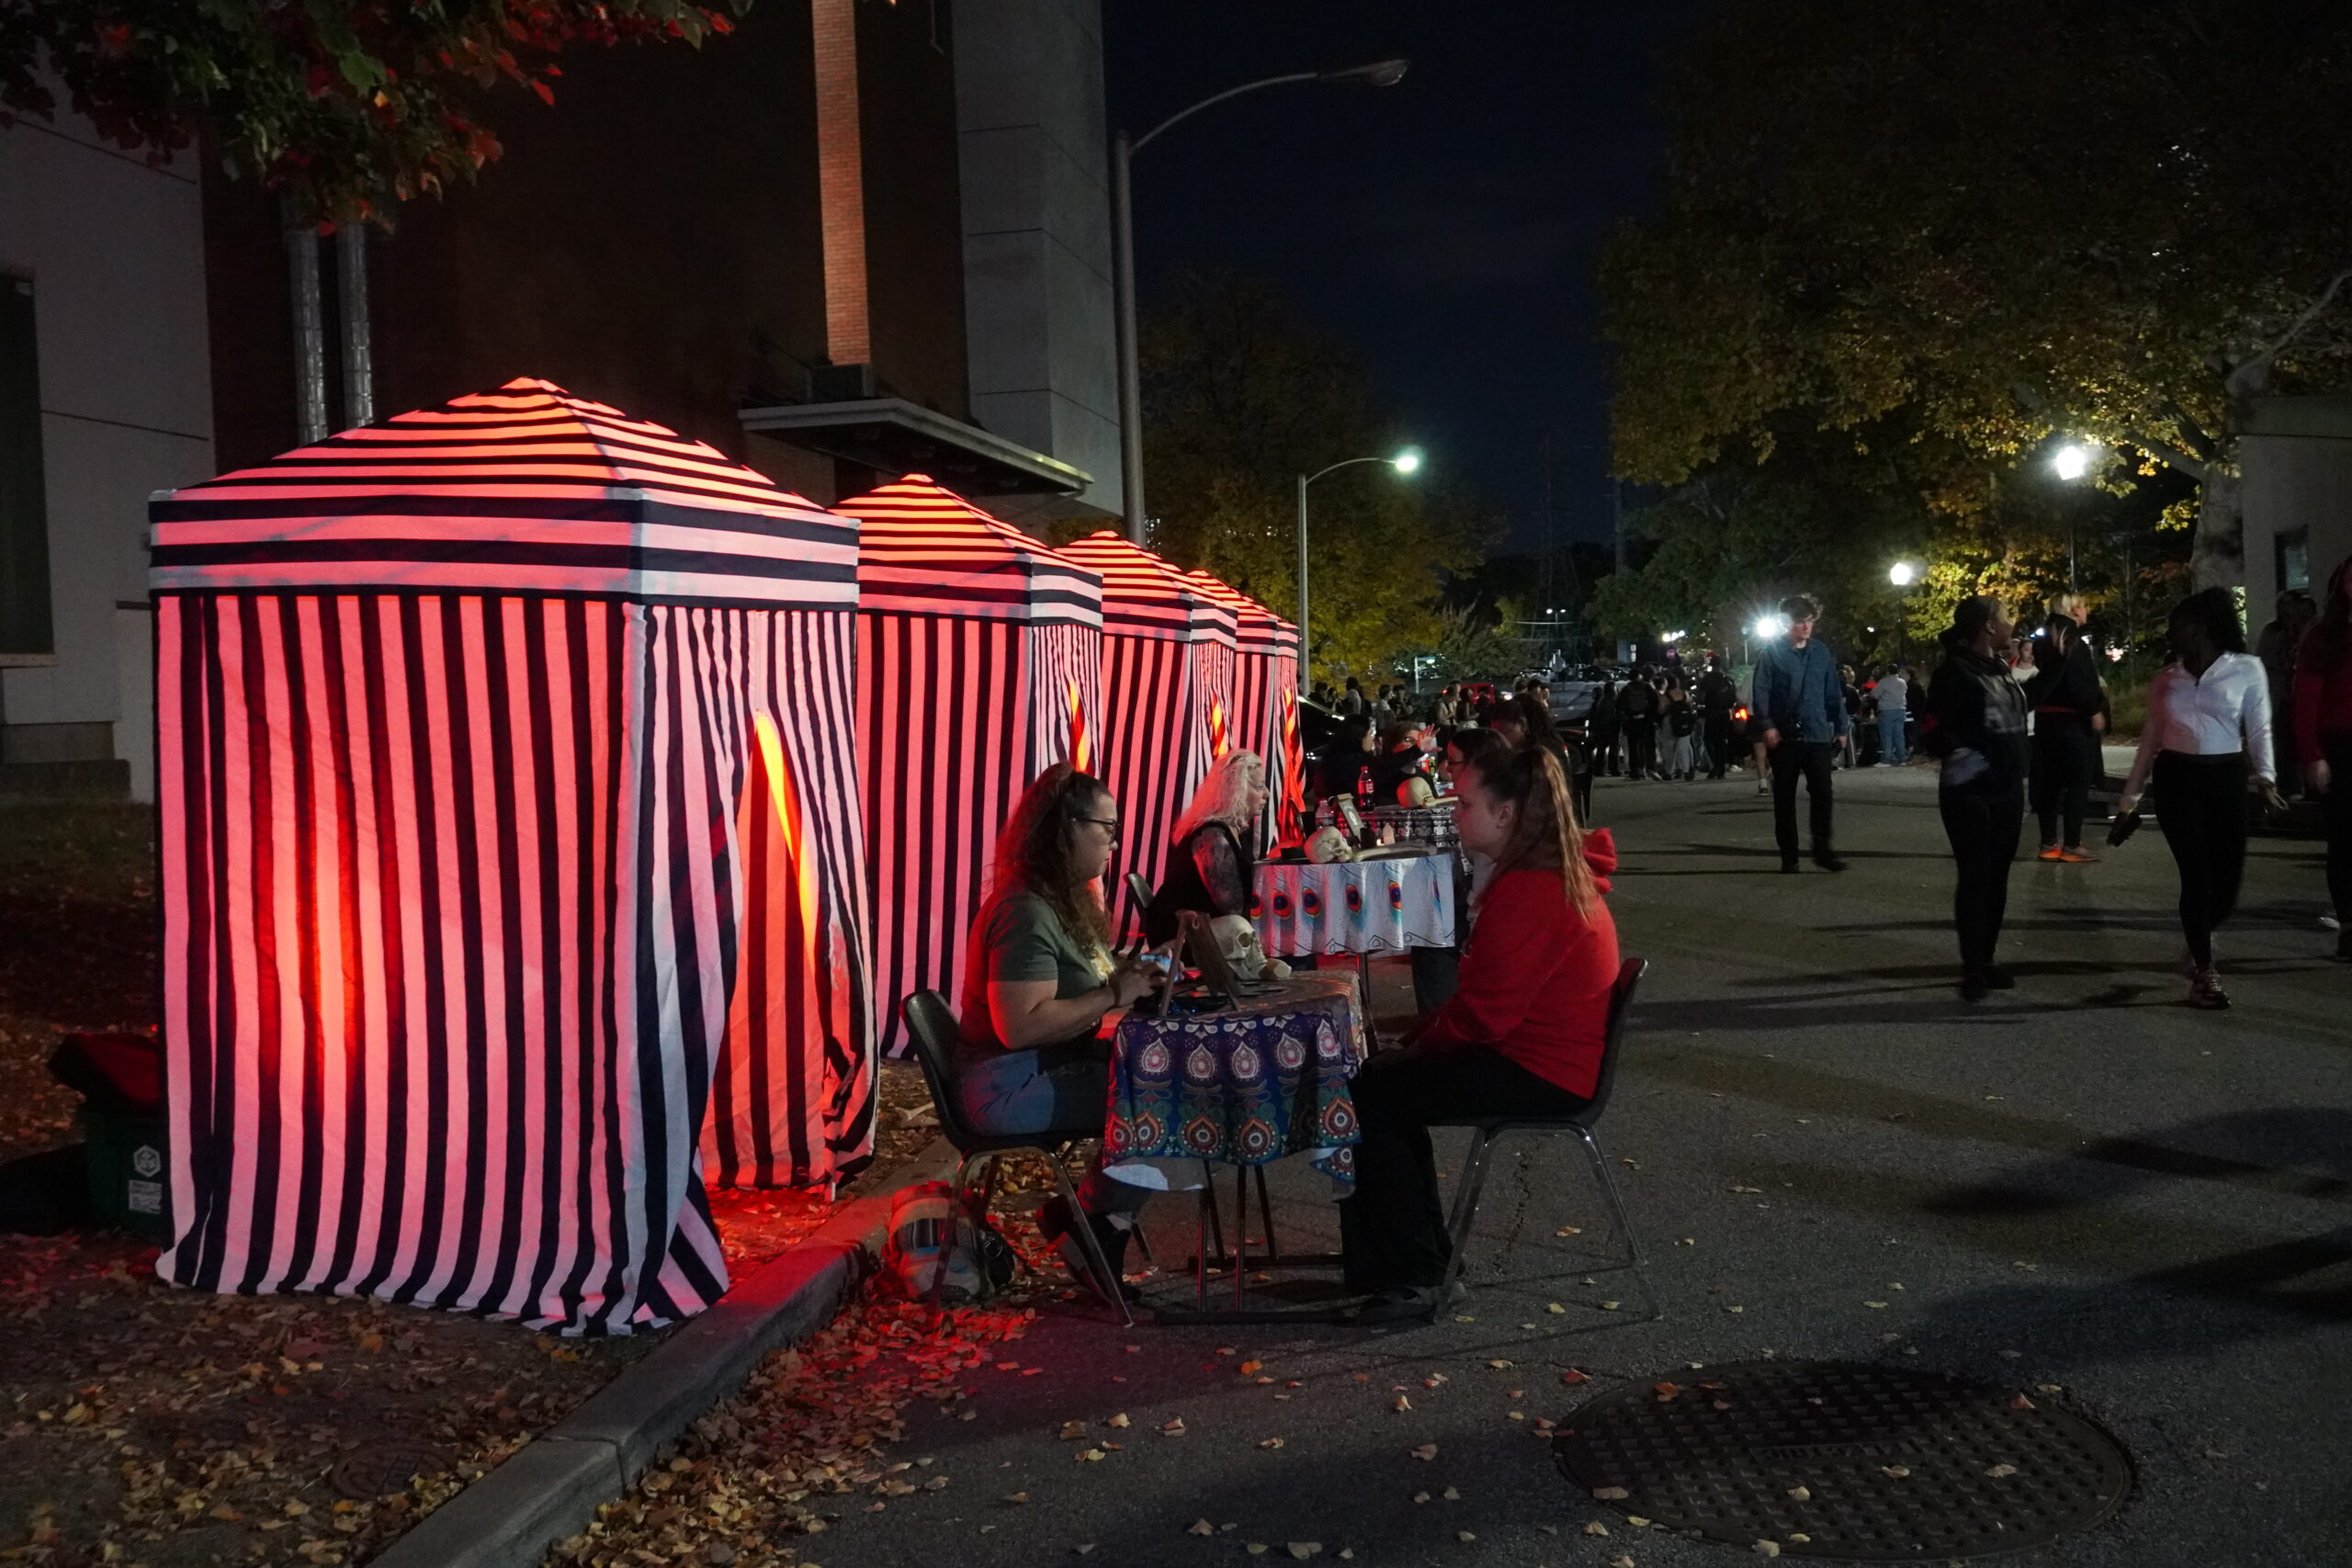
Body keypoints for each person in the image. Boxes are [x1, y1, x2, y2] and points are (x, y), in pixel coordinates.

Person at [1339, 746, 1621, 1323]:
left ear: (1506, 814)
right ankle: (1416, 1261)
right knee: (1384, 1088)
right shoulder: (1535, 877)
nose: (1453, 812)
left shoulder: (1531, 890)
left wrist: (1416, 1046)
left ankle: (1416, 1274)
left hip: (1544, 1069)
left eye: (1465, 803)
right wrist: (1420, 1037)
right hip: (1545, 1057)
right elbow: (1481, 1006)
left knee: (1376, 1095)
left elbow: (1485, 1017)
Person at [958, 764, 1167, 1303]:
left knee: (1163, 1081)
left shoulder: (1058, 901)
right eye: (1108, 828)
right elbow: (1020, 1025)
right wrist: (1114, 994)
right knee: (1170, 1098)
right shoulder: (1025, 911)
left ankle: (1088, 1217)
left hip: (1039, 1070)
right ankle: (1097, 1224)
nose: (1115, 844)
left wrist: (1130, 979)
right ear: (1066, 827)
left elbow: (1086, 980)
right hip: (1007, 1087)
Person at [2117, 588, 2285, 1009]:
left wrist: (2265, 778)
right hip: (2177, 779)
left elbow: (2260, 728)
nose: (2170, 634)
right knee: (2196, 876)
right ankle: (2205, 975)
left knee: (2227, 882)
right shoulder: (2166, 679)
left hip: (2225, 778)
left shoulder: (2246, 669)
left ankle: (2198, 940)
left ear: (2200, 628)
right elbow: (2149, 742)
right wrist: (2128, 802)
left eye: (2177, 626)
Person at [1920, 598, 2030, 1001]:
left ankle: (1986, 958)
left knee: (1997, 876)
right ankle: (1972, 968)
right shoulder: (1955, 671)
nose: (2011, 623)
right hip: (1970, 790)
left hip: (2007, 787)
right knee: (1976, 876)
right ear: (1986, 627)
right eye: (2005, 617)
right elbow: (1931, 726)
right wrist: (1961, 753)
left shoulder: (2000, 668)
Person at [1752, 593, 1850, 871]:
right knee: (1784, 797)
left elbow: (1833, 691)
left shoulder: (1820, 652)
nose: (1806, 626)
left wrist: (1841, 727)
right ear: (1787, 623)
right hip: (1785, 736)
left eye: (1809, 621)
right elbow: (1761, 692)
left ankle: (1823, 849)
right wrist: (1768, 725)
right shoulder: (1771, 653)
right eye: (1799, 622)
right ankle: (1789, 854)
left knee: (1823, 793)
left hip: (1817, 733)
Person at [2291, 556, 2352, 961]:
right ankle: (2349, 926)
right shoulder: (2325, 637)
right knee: (2346, 843)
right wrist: (2312, 754)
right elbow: (2306, 699)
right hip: (2342, 747)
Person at [1145, 750, 1268, 943]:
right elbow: (1231, 905)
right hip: (1182, 933)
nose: (1266, 794)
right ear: (1238, 790)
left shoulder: (1230, 830)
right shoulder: (1212, 836)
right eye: (1260, 787)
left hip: (1200, 926)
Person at [2021, 605, 2108, 863]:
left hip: (2047, 721)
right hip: (2073, 722)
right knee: (2076, 785)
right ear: (2071, 609)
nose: (2086, 608)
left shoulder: (2043, 643)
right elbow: (2080, 680)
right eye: (2081, 604)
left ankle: (2048, 843)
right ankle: (2072, 843)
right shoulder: (2073, 643)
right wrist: (2093, 709)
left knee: (2050, 784)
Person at [2258, 590, 2318, 794]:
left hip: (2301, 695)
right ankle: (2287, 785)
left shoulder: (2311, 632)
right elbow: (2267, 661)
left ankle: (2307, 785)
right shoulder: (2275, 633)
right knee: (2284, 741)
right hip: (2282, 695)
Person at [1368, 719, 1439, 807]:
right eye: (1408, 740)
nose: (1417, 744)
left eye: (1419, 741)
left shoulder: (1425, 776)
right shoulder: (1380, 769)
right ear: (1392, 744)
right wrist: (1417, 750)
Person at [1313, 712, 1378, 802]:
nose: (1372, 738)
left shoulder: (1330, 758)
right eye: (1370, 733)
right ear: (1359, 735)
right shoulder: (1360, 763)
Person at [1617, 669, 1662, 781]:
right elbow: (1655, 702)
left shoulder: (1626, 690)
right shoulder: (1647, 687)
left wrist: (1628, 716)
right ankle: (1651, 768)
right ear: (1639, 676)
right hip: (1646, 721)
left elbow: (1619, 706)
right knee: (1649, 746)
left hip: (1632, 722)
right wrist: (1653, 718)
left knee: (1633, 747)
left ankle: (1636, 772)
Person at [1698, 658, 1738, 779]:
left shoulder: (1708, 679)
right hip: (1725, 713)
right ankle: (1721, 767)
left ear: (1711, 665)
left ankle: (1717, 765)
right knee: (1721, 740)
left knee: (1708, 739)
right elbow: (1734, 698)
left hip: (1712, 713)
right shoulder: (1728, 679)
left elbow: (1701, 697)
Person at [1873, 663, 1911, 766]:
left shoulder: (1884, 682)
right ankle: (1902, 757)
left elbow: (1875, 694)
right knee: (1899, 735)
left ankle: (1887, 758)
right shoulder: (1902, 682)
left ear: (1888, 671)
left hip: (1887, 710)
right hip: (1901, 709)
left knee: (1887, 735)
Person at [1587, 677, 1622, 776]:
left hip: (1602, 730)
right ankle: (1613, 769)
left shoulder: (1602, 702)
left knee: (1601, 751)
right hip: (1613, 729)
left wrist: (1595, 729)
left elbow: (1598, 717)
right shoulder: (1615, 701)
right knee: (1613, 750)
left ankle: (1599, 769)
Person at [1664, 682, 1699, 780]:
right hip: (1687, 723)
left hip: (1675, 724)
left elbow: (1662, 708)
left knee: (1678, 747)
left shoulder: (1667, 695)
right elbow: (1691, 704)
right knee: (1686, 745)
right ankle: (1690, 767)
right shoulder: (1684, 693)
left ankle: (1685, 770)